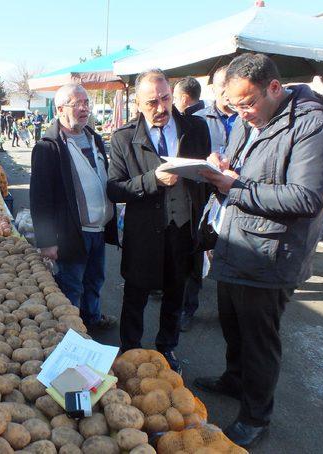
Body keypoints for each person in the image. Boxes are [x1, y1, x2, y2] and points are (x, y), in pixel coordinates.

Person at [194, 53, 323, 448]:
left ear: (274, 88)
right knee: (232, 321)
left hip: (273, 253)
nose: (241, 114)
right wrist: (223, 165)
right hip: (237, 241)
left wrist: (235, 188)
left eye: (247, 104)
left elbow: (307, 198)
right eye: (235, 106)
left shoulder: (312, 125)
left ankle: (256, 416)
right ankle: (235, 379)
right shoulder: (252, 120)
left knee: (259, 338)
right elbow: (245, 167)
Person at [107, 69, 210, 373]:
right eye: (152, 102)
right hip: (144, 233)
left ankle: (167, 349)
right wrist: (152, 180)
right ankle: (130, 351)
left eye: (166, 98)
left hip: (182, 229)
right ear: (137, 103)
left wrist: (213, 169)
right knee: (136, 295)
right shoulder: (124, 138)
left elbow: (204, 178)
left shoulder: (195, 128)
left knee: (175, 293)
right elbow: (114, 189)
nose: (162, 107)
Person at [30, 83, 118, 329]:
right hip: (72, 233)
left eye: (86, 103)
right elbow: (40, 198)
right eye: (76, 103)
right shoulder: (48, 147)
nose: (84, 108)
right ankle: (72, 332)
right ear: (59, 109)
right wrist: (47, 241)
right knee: (72, 284)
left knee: (95, 280)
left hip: (98, 230)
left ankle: (92, 318)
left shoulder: (95, 139)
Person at [179, 66, 239, 332]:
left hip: (238, 195)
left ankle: (232, 313)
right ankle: (188, 308)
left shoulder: (248, 117)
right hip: (203, 194)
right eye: (221, 86)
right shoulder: (197, 118)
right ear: (213, 89)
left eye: (230, 85)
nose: (226, 92)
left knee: (234, 253)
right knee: (196, 251)